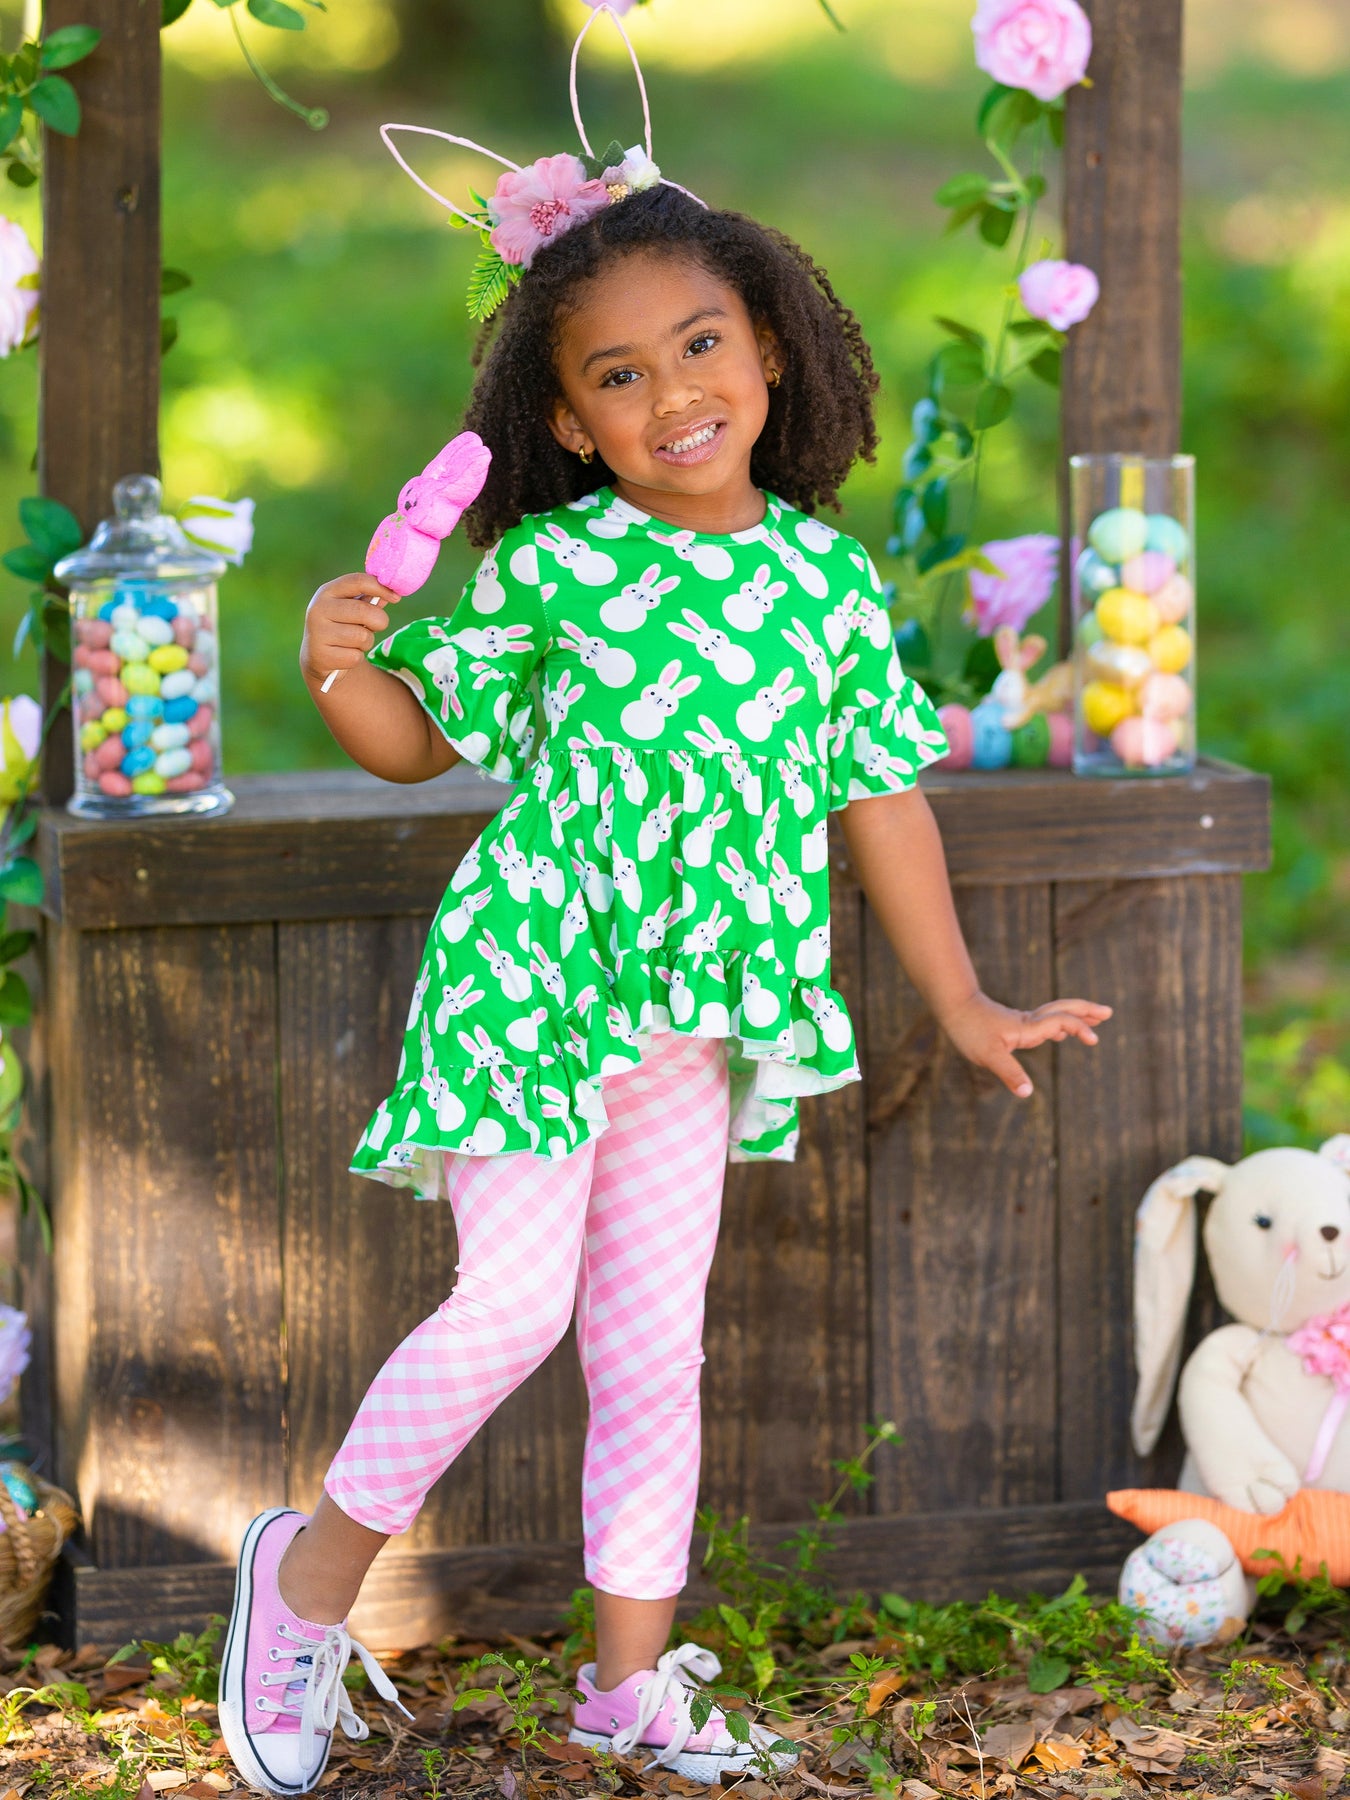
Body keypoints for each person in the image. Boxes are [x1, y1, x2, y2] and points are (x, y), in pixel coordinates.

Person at [217, 18, 1112, 1796]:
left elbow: (881, 800)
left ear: (767, 347)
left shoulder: (828, 584)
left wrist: (959, 999)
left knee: (650, 1349)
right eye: (616, 375)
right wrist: (336, 660)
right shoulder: (552, 566)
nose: (671, 391)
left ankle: (625, 1686)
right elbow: (410, 746)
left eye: (700, 343)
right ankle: (303, 1585)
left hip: (699, 1010)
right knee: (511, 1309)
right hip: (535, 983)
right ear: (566, 421)